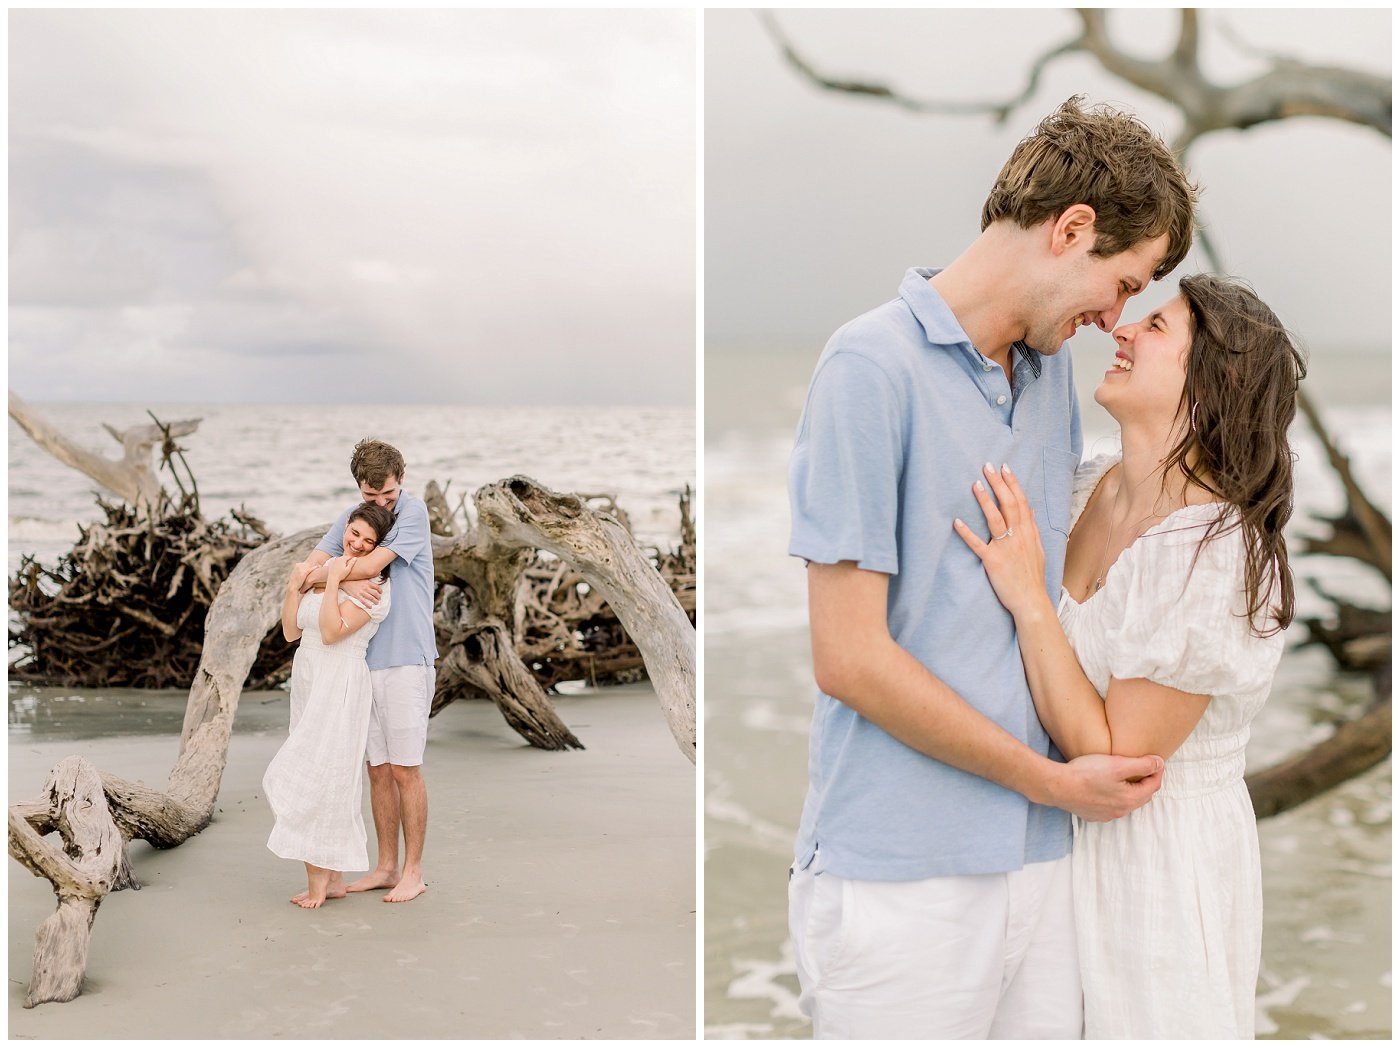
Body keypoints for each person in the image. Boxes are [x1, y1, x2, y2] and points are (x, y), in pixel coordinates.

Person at [786, 95, 1198, 1038]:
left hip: (1044, 870)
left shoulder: (1052, 378)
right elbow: (847, 657)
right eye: (1122, 282)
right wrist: (1050, 782)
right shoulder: (868, 366)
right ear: (1073, 228)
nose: (1116, 316)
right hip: (901, 875)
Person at [955, 274, 1303, 1038]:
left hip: (1161, 862)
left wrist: (1028, 598)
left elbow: (1116, 760)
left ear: (1218, 382)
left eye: (1156, 329)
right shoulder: (1089, 489)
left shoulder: (1211, 549)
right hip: (1054, 841)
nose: (1121, 332)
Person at [302, 438, 438, 904]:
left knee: (405, 770)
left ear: (401, 481)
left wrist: (333, 574)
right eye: (370, 498)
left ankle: (413, 871)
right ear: (359, 488)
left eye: (388, 496)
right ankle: (386, 866)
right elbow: (305, 569)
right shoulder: (350, 515)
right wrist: (328, 574)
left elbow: (372, 564)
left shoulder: (414, 512)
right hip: (363, 661)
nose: (381, 506)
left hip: (406, 657)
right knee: (377, 769)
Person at [264, 501, 395, 909]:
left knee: (322, 776)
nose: (356, 544)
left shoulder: (377, 589)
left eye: (367, 542)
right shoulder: (328, 571)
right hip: (308, 677)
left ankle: (322, 882)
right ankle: (331, 878)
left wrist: (336, 580)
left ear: (378, 548)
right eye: (353, 534)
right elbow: (289, 631)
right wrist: (296, 586)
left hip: (340, 680)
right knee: (315, 770)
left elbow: (332, 631)